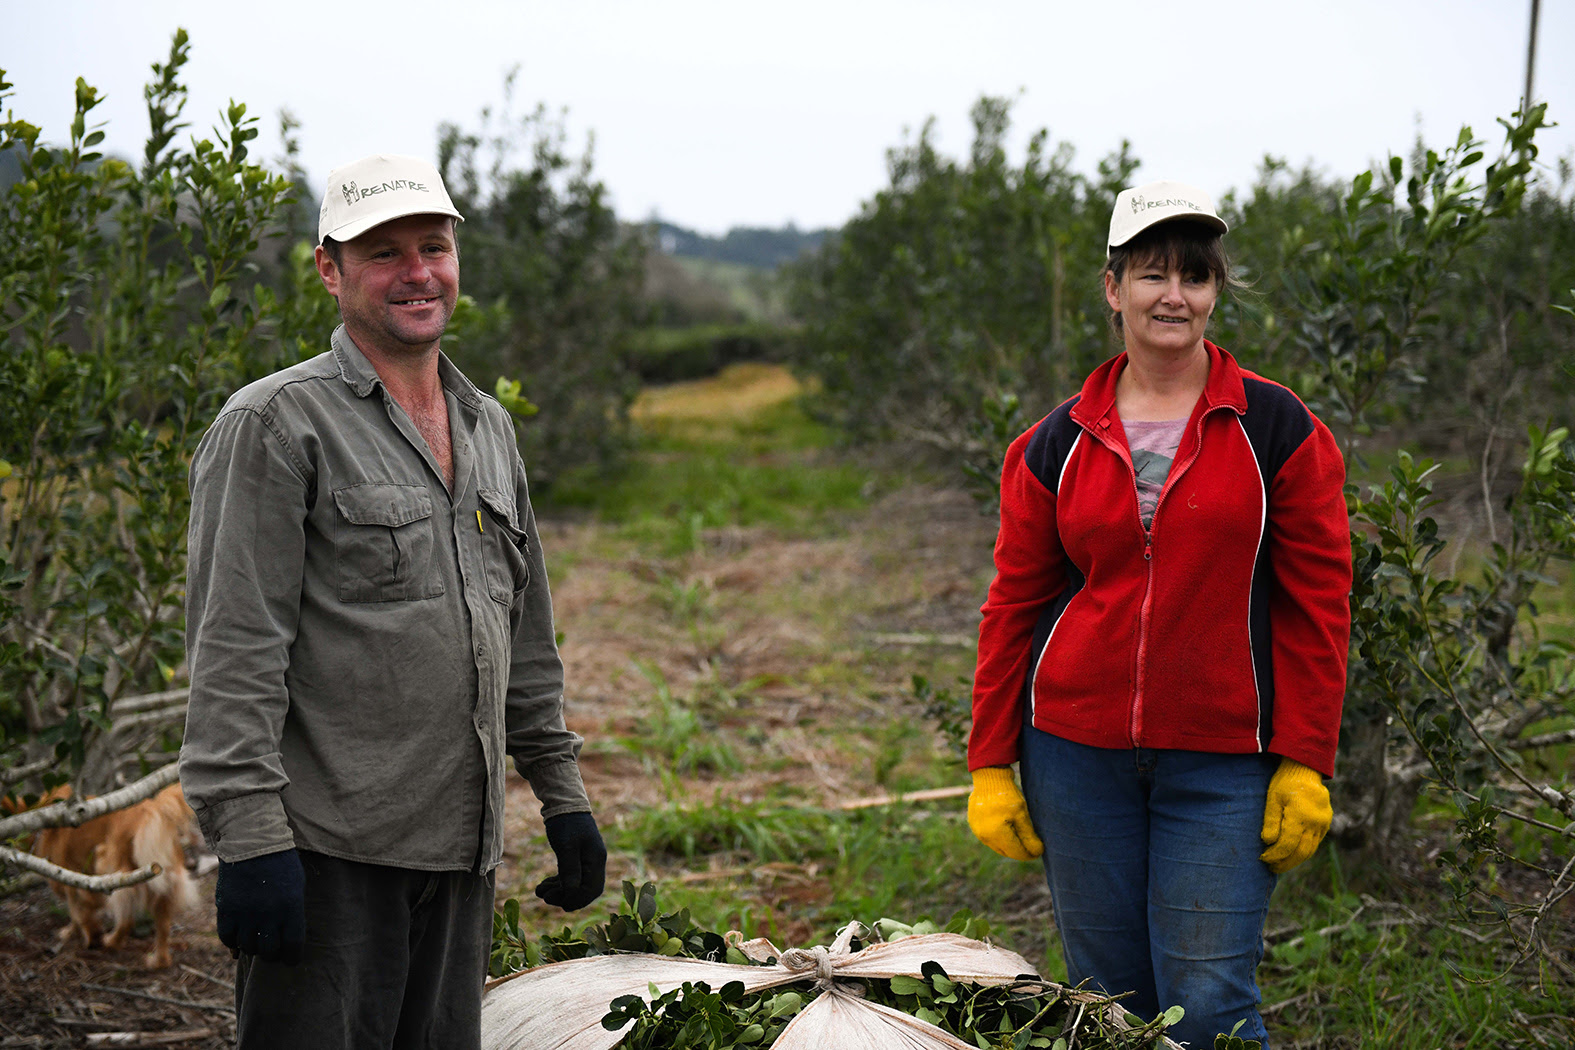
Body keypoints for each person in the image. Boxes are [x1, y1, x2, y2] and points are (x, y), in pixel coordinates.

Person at [180, 153, 607, 1048]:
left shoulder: (489, 427)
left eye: (433, 247)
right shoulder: (273, 424)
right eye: (384, 253)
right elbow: (234, 652)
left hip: (461, 852)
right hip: (327, 856)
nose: (416, 273)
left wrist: (561, 797)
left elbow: (524, 639)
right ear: (330, 270)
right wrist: (251, 843)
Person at [965, 180, 1350, 1048]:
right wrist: (990, 762)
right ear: (1113, 289)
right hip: (1073, 757)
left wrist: (1304, 759)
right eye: (1150, 274)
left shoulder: (1279, 429)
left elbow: (1317, 602)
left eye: (1193, 275)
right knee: (1109, 1008)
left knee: (1210, 1006)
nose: (1172, 295)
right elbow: (1013, 606)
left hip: (1221, 763)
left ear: (1214, 293)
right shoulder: (1051, 444)